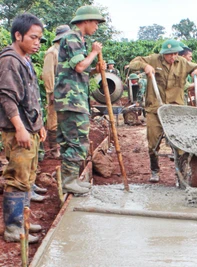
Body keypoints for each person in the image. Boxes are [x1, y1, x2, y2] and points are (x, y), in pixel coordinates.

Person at [128, 39, 197, 182]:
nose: (173, 57)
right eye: (169, 55)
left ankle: (181, 172)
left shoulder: (182, 62)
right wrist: (145, 66)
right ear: (163, 54)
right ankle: (154, 170)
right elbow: (133, 64)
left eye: (175, 54)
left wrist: (196, 73)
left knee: (181, 142)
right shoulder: (153, 59)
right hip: (155, 108)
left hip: (176, 109)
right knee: (153, 142)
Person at [0, 13, 47, 243]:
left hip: (29, 127)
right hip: (18, 130)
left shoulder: (25, 60)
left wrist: (38, 125)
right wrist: (19, 128)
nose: (37, 42)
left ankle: (23, 221)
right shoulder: (10, 60)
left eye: (40, 38)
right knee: (17, 177)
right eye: (33, 37)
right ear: (18, 36)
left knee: (27, 177)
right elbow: (7, 98)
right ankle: (13, 228)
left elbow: (31, 99)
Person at [54, 5, 106, 194]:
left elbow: (79, 69)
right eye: (95, 23)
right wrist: (93, 53)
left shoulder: (78, 40)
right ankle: (69, 181)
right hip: (71, 100)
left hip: (72, 99)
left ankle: (72, 179)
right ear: (86, 21)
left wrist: (95, 70)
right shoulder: (72, 38)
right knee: (77, 141)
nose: (97, 27)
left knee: (71, 141)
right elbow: (78, 67)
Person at [42, 25, 70, 159]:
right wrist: (51, 91)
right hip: (55, 91)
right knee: (53, 120)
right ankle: (54, 150)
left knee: (63, 120)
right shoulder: (52, 52)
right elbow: (47, 74)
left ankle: (62, 148)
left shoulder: (64, 51)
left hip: (65, 92)